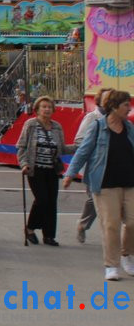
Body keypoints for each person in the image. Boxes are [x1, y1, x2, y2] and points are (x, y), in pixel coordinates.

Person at [63, 90, 134, 281]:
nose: (129, 108)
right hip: (105, 183)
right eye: (126, 105)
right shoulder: (97, 126)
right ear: (115, 106)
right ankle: (111, 265)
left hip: (129, 182)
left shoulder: (129, 127)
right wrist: (70, 173)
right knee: (111, 225)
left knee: (132, 222)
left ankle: (127, 254)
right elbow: (83, 151)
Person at [17, 96, 74, 246]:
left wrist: (80, 146)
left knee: (51, 202)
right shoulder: (30, 124)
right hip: (35, 169)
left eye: (49, 107)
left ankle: (49, 235)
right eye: (44, 107)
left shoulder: (57, 126)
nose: (47, 109)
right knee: (42, 200)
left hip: (52, 170)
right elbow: (21, 146)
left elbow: (62, 148)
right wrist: (23, 164)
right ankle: (29, 228)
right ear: (37, 109)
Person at [73, 88, 111, 243]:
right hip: (95, 167)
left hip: (113, 168)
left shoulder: (117, 119)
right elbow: (79, 140)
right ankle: (82, 225)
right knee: (94, 199)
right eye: (107, 98)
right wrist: (97, 150)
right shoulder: (92, 118)